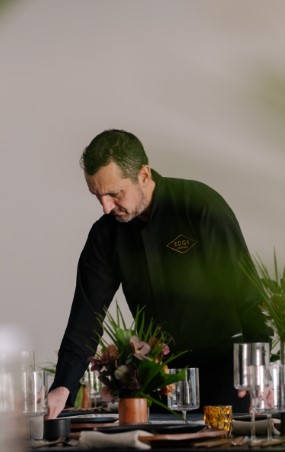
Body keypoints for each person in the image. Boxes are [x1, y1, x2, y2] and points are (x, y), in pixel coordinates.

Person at [46, 129, 270, 418]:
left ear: (143, 175)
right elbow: (86, 316)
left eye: (115, 194)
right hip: (160, 379)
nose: (105, 207)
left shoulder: (199, 206)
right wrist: (63, 383)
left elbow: (246, 292)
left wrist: (259, 364)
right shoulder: (104, 235)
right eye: (97, 195)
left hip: (225, 374)